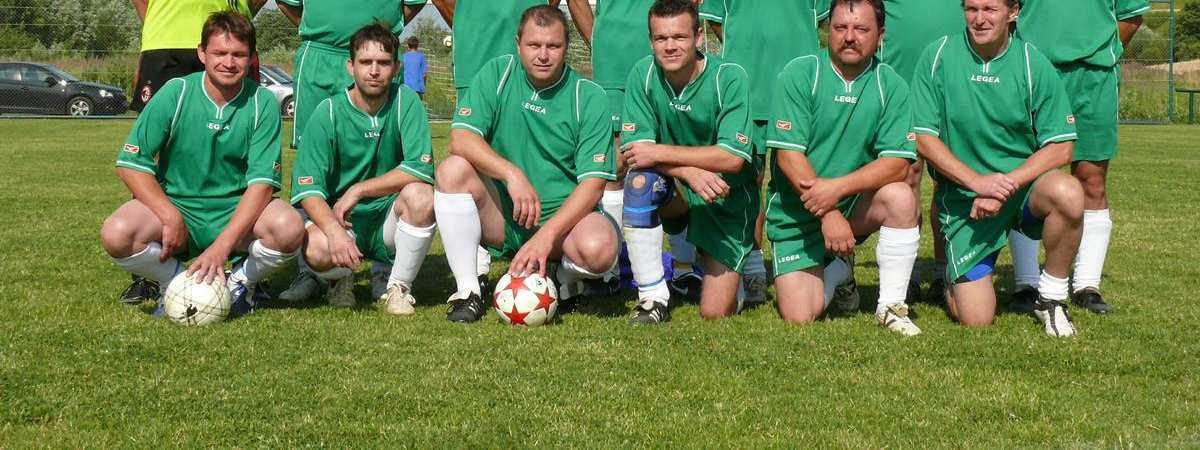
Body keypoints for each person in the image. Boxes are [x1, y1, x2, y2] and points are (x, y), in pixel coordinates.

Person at [101, 11, 303, 317]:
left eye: (239, 54)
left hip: (234, 208)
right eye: (219, 53)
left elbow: (262, 185)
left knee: (289, 227)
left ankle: (238, 284)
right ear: (201, 53)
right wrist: (169, 215)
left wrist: (221, 247)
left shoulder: (262, 102)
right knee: (116, 233)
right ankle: (175, 281)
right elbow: (130, 163)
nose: (228, 62)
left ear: (251, 58)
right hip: (178, 206)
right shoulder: (176, 92)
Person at [433, 5, 619, 323]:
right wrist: (511, 173)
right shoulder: (497, 73)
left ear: (566, 47)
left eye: (553, 46)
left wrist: (546, 236)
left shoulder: (588, 97)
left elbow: (593, 186)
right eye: (534, 45)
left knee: (600, 249)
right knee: (451, 170)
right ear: (518, 43)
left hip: (563, 226)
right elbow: (460, 139)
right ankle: (468, 292)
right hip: (505, 216)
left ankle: (564, 277)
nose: (543, 55)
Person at [912, 0, 1084, 337]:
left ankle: (1050, 299)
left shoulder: (1033, 62)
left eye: (990, 9)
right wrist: (977, 183)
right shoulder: (937, 56)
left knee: (1069, 192)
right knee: (975, 318)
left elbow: (1062, 146)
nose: (979, 19)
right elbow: (923, 137)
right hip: (967, 200)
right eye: (971, 9)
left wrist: (1005, 186)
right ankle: (954, 275)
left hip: (1021, 192)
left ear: (1013, 11)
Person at [766, 0, 921, 335]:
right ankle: (838, 268)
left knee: (901, 197)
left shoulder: (891, 84)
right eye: (840, 28)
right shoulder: (799, 73)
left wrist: (835, 195)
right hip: (797, 215)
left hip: (851, 208)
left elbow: (897, 164)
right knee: (800, 315)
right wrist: (827, 214)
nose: (850, 37)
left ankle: (891, 306)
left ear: (881, 34)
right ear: (827, 30)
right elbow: (788, 157)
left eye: (861, 29)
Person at [275, 0, 427, 303]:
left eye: (383, 64)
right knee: (317, 240)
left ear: (395, 68)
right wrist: (333, 230)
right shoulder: (327, 110)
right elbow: (307, 186)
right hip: (319, 57)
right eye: (365, 63)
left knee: (422, 196)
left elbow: (420, 168)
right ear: (351, 67)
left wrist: (358, 190)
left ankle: (393, 280)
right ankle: (326, 276)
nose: (374, 71)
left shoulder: (405, 101)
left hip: (384, 214)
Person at [121, 0, 267, 305]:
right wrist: (156, 23)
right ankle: (155, 273)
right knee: (158, 155)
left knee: (242, 134)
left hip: (229, 31)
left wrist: (235, 20)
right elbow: (134, 164)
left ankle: (243, 267)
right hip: (167, 37)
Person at [620, 0, 756, 324]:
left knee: (713, 312)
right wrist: (688, 171)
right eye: (661, 38)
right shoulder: (644, 73)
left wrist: (662, 154)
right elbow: (635, 152)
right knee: (639, 181)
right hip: (681, 188)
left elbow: (732, 159)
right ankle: (653, 297)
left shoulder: (729, 77)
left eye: (679, 37)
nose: (670, 46)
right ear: (651, 40)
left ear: (698, 37)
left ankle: (714, 267)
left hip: (725, 198)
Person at [1011, 0, 1149, 314]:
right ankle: (1027, 282)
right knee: (1028, 176)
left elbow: (1131, 17)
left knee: (1092, 179)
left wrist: (1099, 53)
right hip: (1034, 71)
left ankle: (1087, 284)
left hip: (1094, 77)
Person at [698, 0, 832, 308]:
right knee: (748, 179)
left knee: (798, 173)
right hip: (749, 84)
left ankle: (815, 259)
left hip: (801, 89)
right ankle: (753, 264)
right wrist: (750, 47)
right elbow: (719, 23)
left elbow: (824, 18)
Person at [429, 0, 562, 295]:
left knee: (534, 147)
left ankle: (554, 254)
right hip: (478, 49)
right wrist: (468, 25)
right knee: (468, 156)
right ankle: (475, 268)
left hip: (531, 46)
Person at [879, 0, 965, 306]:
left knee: (950, 177)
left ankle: (945, 270)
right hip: (901, 81)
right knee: (907, 177)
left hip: (955, 84)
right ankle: (908, 276)